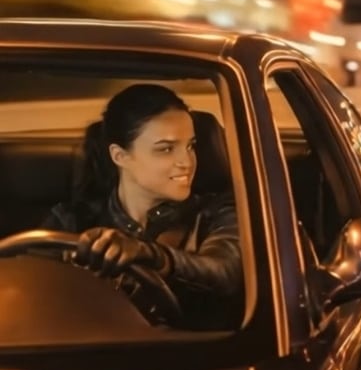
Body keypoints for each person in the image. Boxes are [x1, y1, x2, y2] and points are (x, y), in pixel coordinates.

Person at [42, 83, 242, 328]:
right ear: (120, 156)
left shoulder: (215, 213)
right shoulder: (72, 221)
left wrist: (151, 254)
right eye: (167, 149)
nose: (186, 161)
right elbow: (30, 290)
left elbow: (223, 271)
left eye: (190, 146)